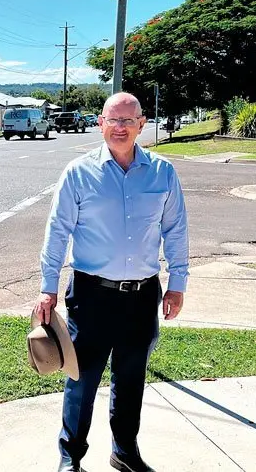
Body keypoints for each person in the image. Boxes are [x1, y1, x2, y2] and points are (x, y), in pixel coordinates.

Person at [36, 92, 188, 472]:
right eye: (113, 120)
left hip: (142, 296)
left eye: (128, 120)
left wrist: (177, 283)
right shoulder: (78, 172)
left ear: (142, 124)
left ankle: (124, 452)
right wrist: (48, 287)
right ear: (100, 123)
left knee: (131, 380)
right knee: (82, 380)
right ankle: (70, 458)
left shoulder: (163, 173)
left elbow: (176, 230)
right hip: (91, 296)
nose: (120, 128)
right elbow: (58, 231)